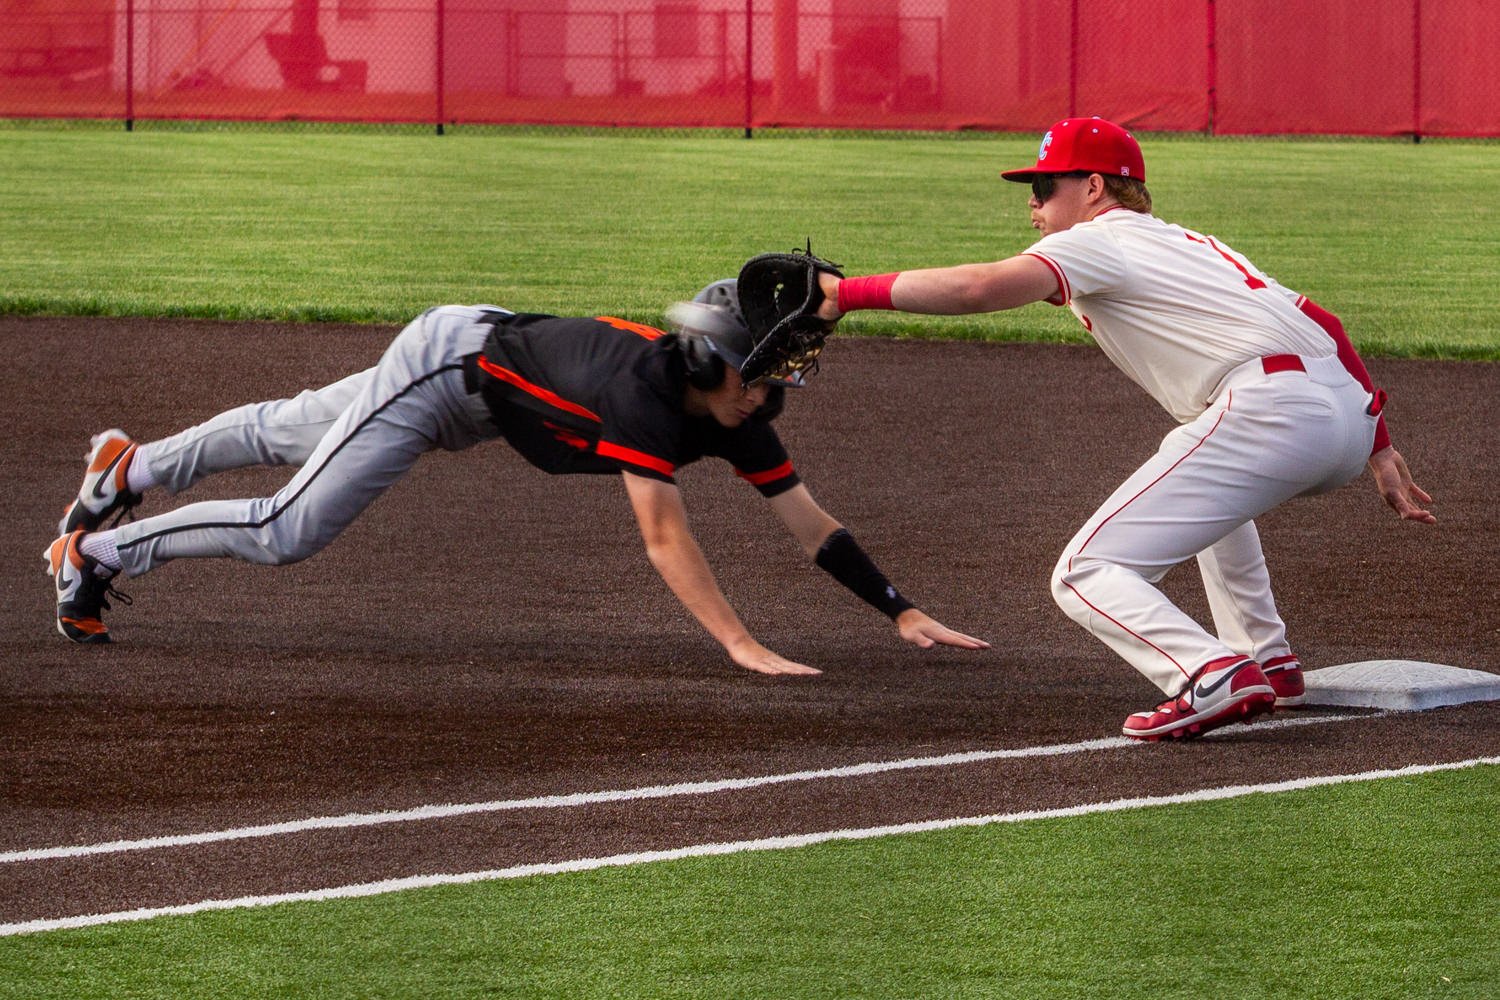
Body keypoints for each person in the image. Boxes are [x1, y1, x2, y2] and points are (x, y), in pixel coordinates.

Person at [816, 116, 1434, 739]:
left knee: (1083, 572)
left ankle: (1209, 672)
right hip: (1340, 420)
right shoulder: (1195, 243)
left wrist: (845, 294)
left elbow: (980, 287)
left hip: (1271, 411)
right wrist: (1379, 445)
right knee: (1206, 480)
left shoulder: (1097, 239)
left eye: (1045, 186)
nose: (1032, 203)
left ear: (1092, 187)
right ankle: (1266, 660)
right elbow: (1323, 320)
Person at [45, 278, 988, 673]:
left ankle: (133, 467)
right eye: (764, 367)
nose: (776, 387)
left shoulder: (737, 409)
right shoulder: (646, 398)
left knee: (294, 430)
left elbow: (808, 520)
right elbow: (664, 537)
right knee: (289, 524)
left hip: (475, 373)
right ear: (706, 365)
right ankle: (98, 552)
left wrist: (898, 607)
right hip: (443, 376)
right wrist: (739, 644)